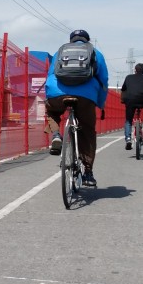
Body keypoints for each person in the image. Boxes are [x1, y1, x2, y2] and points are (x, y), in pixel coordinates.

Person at [44, 29, 109, 187]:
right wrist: (100, 104)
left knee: (51, 111)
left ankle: (56, 136)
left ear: (71, 40)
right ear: (87, 40)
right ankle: (87, 173)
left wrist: (51, 96)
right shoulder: (95, 52)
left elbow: (51, 75)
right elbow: (104, 81)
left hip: (57, 93)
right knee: (87, 131)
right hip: (86, 97)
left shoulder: (60, 51)